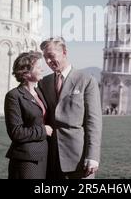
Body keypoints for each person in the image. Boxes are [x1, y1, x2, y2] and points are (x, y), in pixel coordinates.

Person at [39, 37, 102, 179]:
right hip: (52, 157)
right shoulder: (44, 82)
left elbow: (94, 121)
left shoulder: (86, 80)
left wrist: (93, 156)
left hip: (78, 158)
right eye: (45, 58)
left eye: (51, 56)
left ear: (64, 52)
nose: (48, 62)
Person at [4, 51, 53, 179]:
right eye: (38, 67)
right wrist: (43, 130)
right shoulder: (14, 96)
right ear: (26, 72)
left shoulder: (39, 92)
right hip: (26, 159)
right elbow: (16, 132)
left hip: (44, 157)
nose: (42, 69)